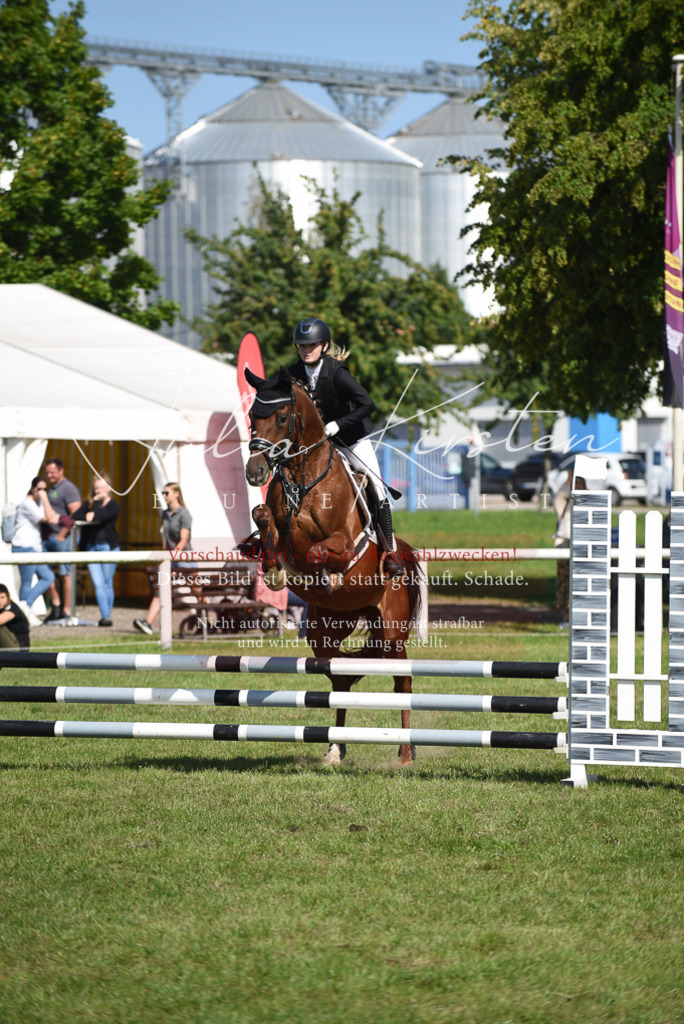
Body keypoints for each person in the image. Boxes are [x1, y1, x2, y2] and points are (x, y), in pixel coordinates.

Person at [288, 317, 404, 577]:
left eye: (312, 345)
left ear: (324, 345)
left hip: (350, 440)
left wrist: (338, 424)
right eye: (302, 346)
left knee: (377, 488)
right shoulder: (292, 374)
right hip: (312, 446)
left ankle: (390, 553)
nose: (306, 350)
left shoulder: (337, 373)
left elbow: (367, 404)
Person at [133, 482, 193, 635]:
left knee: (197, 591)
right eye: (163, 493)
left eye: (167, 493)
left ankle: (207, 620)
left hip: (184, 558)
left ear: (176, 494)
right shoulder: (165, 514)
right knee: (161, 588)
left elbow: (183, 540)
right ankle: (148, 623)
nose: (164, 496)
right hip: (170, 558)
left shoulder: (184, 514)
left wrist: (171, 557)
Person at [74, 473, 120, 628]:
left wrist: (94, 508)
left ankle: (107, 615)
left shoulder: (114, 505)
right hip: (92, 547)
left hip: (108, 547)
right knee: (98, 584)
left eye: (102, 487)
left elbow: (100, 517)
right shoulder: (90, 503)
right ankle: (105, 617)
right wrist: (90, 508)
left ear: (108, 488)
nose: (99, 490)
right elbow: (75, 516)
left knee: (107, 583)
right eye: (96, 488)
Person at [11, 476, 60, 615]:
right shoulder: (28, 503)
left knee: (48, 577)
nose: (42, 492)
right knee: (27, 581)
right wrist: (45, 498)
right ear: (32, 489)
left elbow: (53, 517)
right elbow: (49, 518)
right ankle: (24, 611)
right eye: (39, 489)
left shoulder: (37, 503)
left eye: (45, 489)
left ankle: (25, 607)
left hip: (35, 548)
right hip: (24, 546)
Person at [42, 458, 81, 621]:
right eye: (47, 472)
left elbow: (76, 513)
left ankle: (66, 610)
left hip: (63, 538)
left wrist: (62, 534)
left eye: (52, 472)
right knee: (45, 572)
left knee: (65, 573)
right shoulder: (51, 488)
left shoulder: (69, 488)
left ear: (61, 471)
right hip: (47, 538)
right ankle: (56, 605)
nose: (49, 475)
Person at [0, 584, 30, 649]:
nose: (0, 601)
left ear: (8, 597)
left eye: (2, 597)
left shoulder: (12, 609)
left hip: (18, 648)